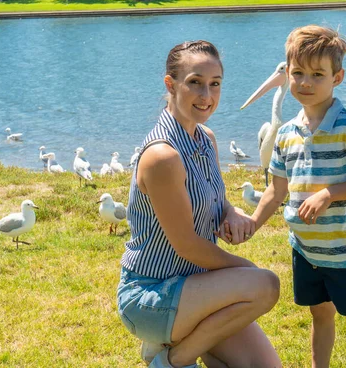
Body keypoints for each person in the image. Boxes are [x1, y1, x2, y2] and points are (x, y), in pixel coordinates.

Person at [116, 40, 282, 368]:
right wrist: (244, 270)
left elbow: (218, 202)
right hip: (152, 295)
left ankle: (183, 347)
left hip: (200, 287)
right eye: (195, 82)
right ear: (171, 84)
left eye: (215, 84)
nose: (206, 96)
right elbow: (188, 246)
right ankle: (173, 360)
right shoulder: (162, 156)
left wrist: (231, 212)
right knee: (265, 285)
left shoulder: (206, 138)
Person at [248, 25, 346, 367]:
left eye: (317, 74)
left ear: (337, 77)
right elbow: (276, 189)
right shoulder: (285, 134)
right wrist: (253, 224)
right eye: (298, 73)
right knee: (320, 315)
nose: (305, 83)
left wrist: (329, 193)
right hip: (306, 249)